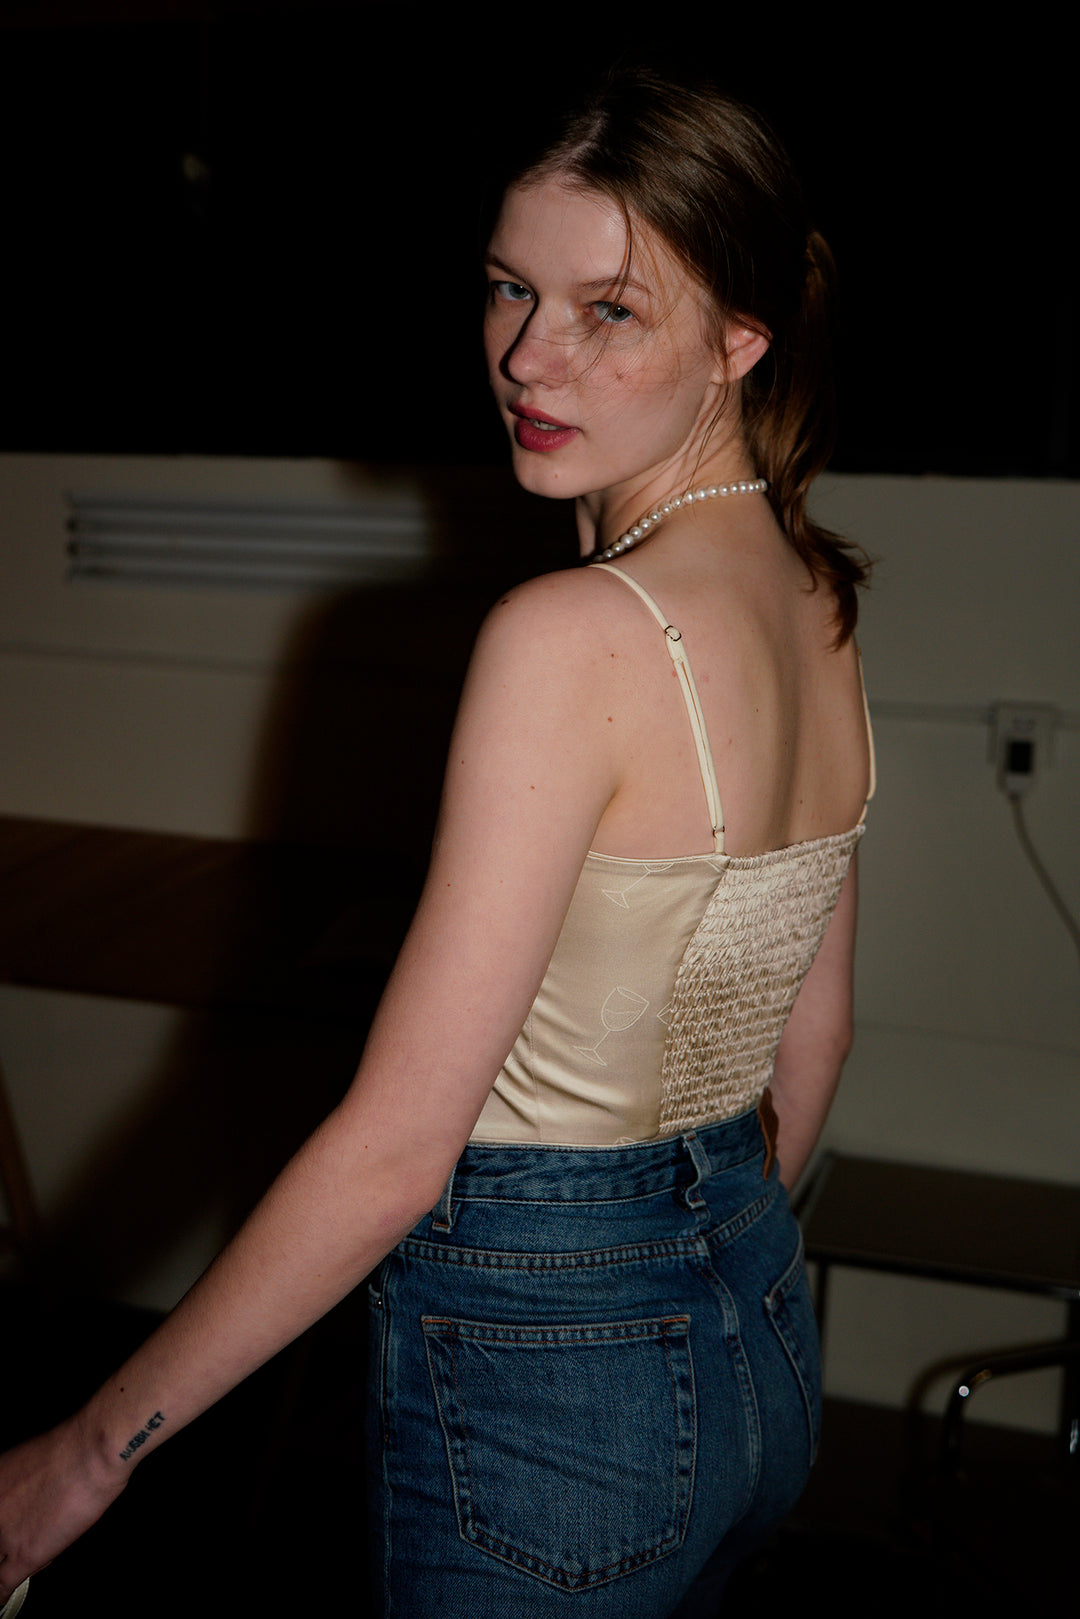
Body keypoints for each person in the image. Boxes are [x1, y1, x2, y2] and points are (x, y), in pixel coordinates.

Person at [0, 67, 872, 1617]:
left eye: (610, 311)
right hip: (754, 1341)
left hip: (560, 1386)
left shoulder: (570, 634)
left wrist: (85, 1455)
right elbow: (815, 1041)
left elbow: (399, 1151)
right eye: (508, 288)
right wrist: (687, 1274)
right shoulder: (816, 596)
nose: (528, 356)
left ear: (740, 339)